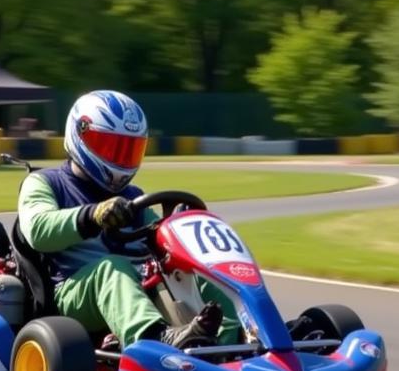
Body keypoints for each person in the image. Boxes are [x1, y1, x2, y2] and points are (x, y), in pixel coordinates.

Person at [17, 90, 240, 347]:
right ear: (81, 135)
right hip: (76, 293)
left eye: (128, 150)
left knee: (198, 268)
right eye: (111, 147)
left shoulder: (133, 197)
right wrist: (92, 215)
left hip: (136, 285)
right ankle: (153, 339)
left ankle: (236, 341)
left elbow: (157, 237)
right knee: (112, 267)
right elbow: (37, 230)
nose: (119, 159)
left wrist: (178, 228)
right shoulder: (46, 182)